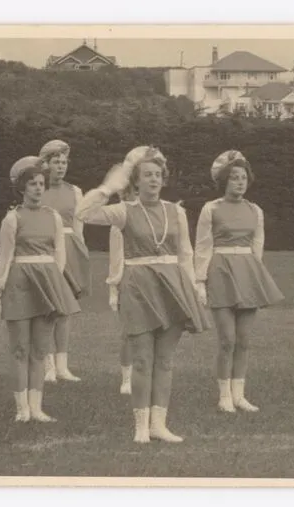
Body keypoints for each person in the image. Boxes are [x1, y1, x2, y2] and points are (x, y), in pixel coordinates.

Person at [75, 146, 211, 444]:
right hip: (137, 286)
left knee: (164, 360)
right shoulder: (125, 211)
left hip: (173, 286)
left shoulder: (176, 211)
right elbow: (83, 213)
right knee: (141, 360)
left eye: (157, 175)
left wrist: (194, 288)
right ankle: (140, 428)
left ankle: (159, 426)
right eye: (146, 175)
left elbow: (186, 254)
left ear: (164, 179)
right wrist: (110, 187)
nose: (153, 180)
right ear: (135, 181)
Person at [0, 156, 81, 423]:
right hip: (20, 283)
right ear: (22, 188)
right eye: (32, 184)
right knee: (20, 348)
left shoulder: (53, 217)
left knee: (40, 349)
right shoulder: (12, 218)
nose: (39, 188)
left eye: (41, 183)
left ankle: (37, 407)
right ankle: (22, 409)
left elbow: (60, 254)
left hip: (47, 282)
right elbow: (5, 258)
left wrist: (55, 282)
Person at [194, 150, 284, 413]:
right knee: (227, 340)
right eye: (234, 177)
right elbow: (202, 246)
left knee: (244, 340)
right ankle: (224, 397)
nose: (239, 182)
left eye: (243, 177)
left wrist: (256, 277)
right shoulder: (211, 208)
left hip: (247, 272)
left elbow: (258, 245)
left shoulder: (255, 210)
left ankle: (239, 395)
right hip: (220, 271)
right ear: (224, 181)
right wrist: (200, 280)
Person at [39, 140, 90, 383]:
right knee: (47, 308)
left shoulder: (75, 191)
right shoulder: (38, 188)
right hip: (46, 250)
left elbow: (78, 227)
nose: (60, 167)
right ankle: (47, 365)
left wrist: (80, 255)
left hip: (70, 250)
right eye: (56, 162)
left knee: (65, 311)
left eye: (64, 162)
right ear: (45, 164)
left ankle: (62, 366)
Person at [107, 183, 137, 395]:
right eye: (132, 193)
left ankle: (147, 373)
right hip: (129, 280)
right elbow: (116, 258)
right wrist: (114, 289)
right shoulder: (118, 222)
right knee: (130, 331)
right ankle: (127, 378)